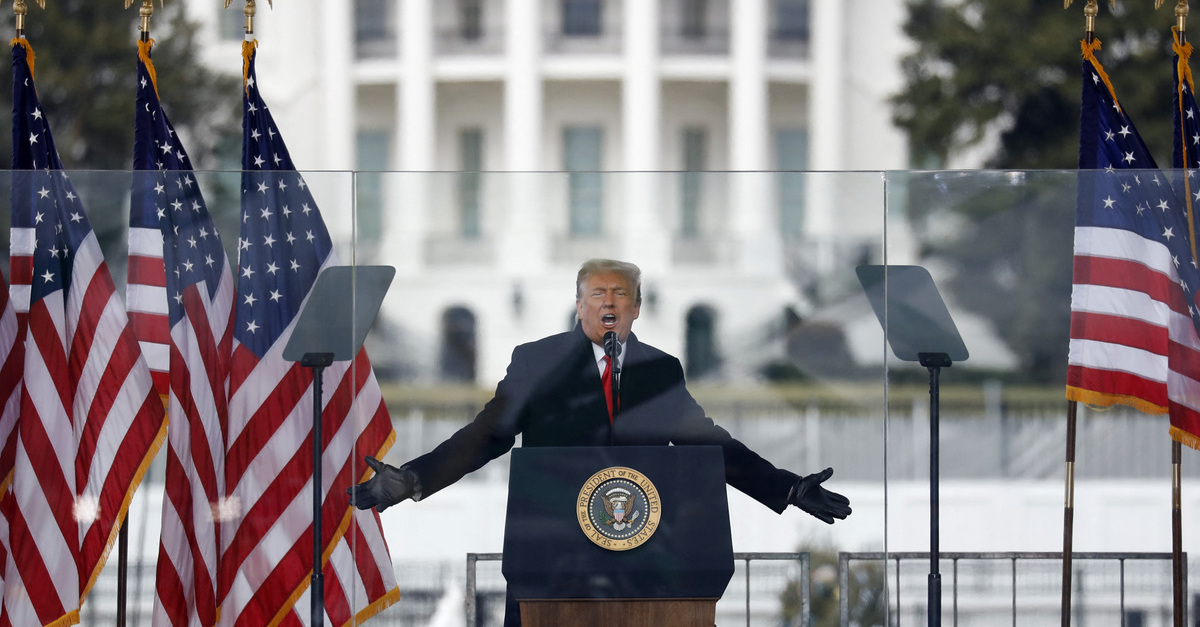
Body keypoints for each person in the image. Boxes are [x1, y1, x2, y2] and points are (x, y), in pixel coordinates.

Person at [348, 258, 851, 623]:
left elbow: (705, 441)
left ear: (636, 307)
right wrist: (414, 478)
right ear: (578, 304)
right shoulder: (536, 361)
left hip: (645, 557)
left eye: (620, 294)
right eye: (597, 294)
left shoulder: (659, 369)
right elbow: (489, 433)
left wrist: (783, 488)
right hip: (552, 554)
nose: (608, 303)